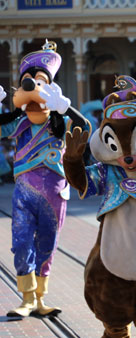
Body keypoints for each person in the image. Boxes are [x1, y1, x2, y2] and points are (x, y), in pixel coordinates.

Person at [0, 42, 89, 317]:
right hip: (24, 193)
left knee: (48, 244)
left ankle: (40, 297)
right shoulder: (20, 122)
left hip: (55, 191)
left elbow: (85, 129)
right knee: (22, 241)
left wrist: (67, 109)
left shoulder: (59, 123)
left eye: (42, 82)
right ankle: (26, 297)